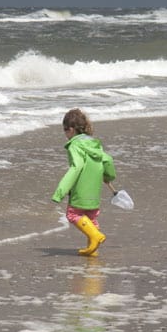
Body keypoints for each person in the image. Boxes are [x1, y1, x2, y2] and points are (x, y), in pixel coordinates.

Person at [51, 108, 117, 257]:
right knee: (91, 217)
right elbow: (108, 160)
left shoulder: (75, 145)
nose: (65, 134)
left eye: (65, 130)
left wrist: (60, 191)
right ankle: (93, 251)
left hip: (81, 189)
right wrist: (108, 176)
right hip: (94, 190)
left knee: (73, 214)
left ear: (72, 130)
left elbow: (77, 167)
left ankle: (95, 237)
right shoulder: (94, 144)